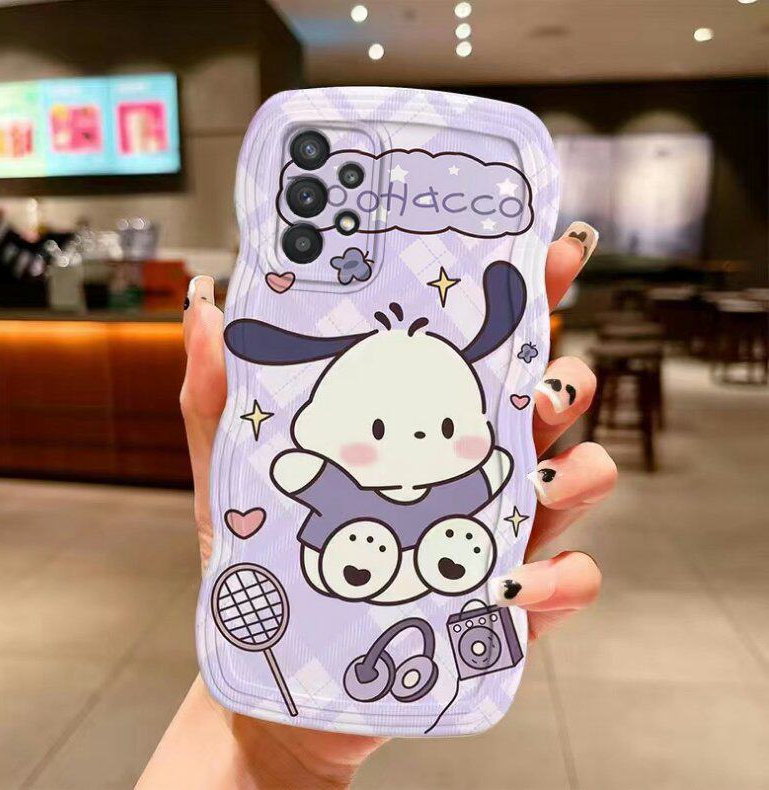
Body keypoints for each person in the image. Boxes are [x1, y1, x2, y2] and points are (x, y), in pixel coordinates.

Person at [137, 227, 616, 789]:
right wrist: (263, 755)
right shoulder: (342, 488)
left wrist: (289, 765)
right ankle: (378, 558)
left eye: (445, 428)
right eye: (381, 429)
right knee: (370, 540)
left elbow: (491, 473)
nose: (416, 444)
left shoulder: (451, 488)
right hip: (352, 544)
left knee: (456, 534)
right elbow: (301, 474)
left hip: (428, 547)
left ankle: (439, 556)